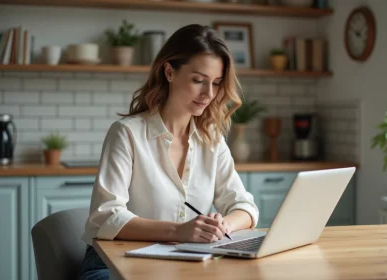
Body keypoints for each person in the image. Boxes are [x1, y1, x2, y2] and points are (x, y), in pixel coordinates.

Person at [78, 23, 259, 280]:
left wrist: (220, 227)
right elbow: (105, 217)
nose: (209, 94)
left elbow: (244, 206)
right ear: (169, 72)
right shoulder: (127, 133)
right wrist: (179, 231)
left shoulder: (212, 139)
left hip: (181, 265)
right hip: (111, 265)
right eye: (198, 80)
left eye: (216, 83)